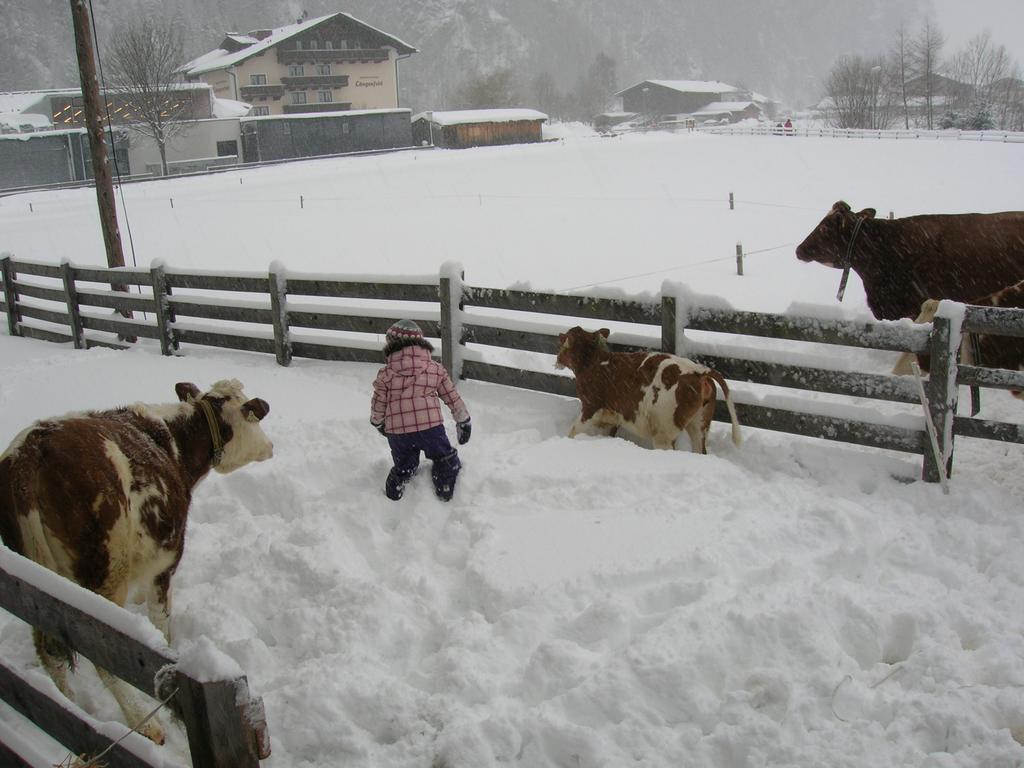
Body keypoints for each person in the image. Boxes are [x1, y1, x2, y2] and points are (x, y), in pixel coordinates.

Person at [370, 320, 471, 502]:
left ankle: (395, 490)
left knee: (404, 464)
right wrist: (463, 419)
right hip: (430, 429)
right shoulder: (434, 369)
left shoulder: (385, 374)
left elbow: (379, 403)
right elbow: (451, 396)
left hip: (398, 433)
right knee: (444, 457)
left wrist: (378, 422)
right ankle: (445, 488)